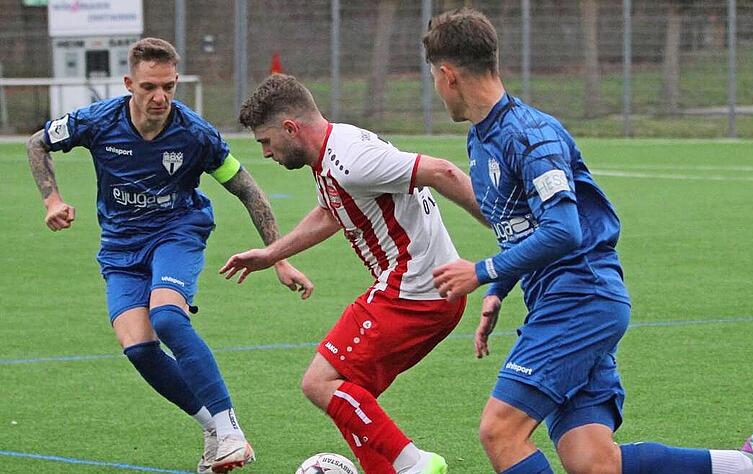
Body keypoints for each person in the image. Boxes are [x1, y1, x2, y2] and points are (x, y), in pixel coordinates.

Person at [423, 8, 753, 474]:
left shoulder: (530, 134)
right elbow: (522, 225)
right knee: (593, 462)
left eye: (432, 78)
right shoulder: (483, 139)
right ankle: (752, 465)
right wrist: (498, 291)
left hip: (581, 298)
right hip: (561, 301)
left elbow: (565, 229)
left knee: (499, 431)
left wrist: (482, 271)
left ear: (448, 76)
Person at [26, 38, 312, 474]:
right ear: (129, 84)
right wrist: (52, 200)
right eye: (149, 87)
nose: (160, 97)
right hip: (121, 246)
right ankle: (212, 430)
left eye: (168, 86)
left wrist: (280, 258)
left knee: (167, 318)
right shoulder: (98, 121)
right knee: (139, 348)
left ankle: (231, 430)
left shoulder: (196, 134)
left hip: (178, 232)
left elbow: (247, 190)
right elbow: (37, 143)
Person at [220, 73, 486, 474]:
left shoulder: (352, 160)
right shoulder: (334, 150)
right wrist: (272, 254)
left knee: (319, 383)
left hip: (414, 290)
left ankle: (415, 465)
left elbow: (442, 171)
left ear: (291, 128)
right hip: (423, 291)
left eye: (266, 141)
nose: (266, 153)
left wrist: (500, 221)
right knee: (350, 395)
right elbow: (331, 212)